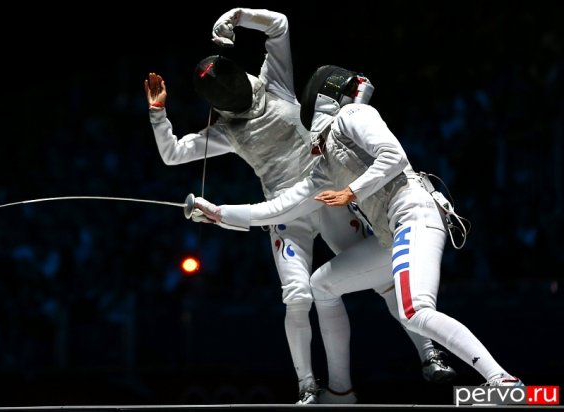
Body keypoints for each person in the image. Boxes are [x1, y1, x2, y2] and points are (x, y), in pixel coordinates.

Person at [145, 8, 456, 404]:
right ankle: (308, 385)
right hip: (284, 210)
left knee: (381, 277)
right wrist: (158, 113)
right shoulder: (226, 130)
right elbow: (172, 153)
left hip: (324, 191)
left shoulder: (273, 82)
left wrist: (237, 16)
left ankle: (429, 352)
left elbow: (278, 25)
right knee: (297, 295)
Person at [192, 64, 524, 389]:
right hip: (394, 232)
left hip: (414, 214)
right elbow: (280, 208)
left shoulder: (352, 115)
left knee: (415, 310)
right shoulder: (325, 168)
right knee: (322, 284)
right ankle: (340, 391)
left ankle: (501, 379)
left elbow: (393, 157)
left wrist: (351, 191)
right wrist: (220, 213)